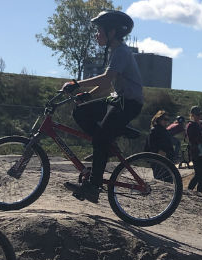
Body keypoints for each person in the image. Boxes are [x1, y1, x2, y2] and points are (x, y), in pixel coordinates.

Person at [60, 10, 144, 203]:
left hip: (128, 103)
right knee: (80, 112)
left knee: (99, 138)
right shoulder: (116, 51)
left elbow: (106, 80)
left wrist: (77, 84)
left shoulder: (121, 52)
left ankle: (93, 186)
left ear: (112, 32)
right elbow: (107, 84)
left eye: (100, 30)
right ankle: (107, 140)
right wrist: (88, 95)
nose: (97, 34)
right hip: (118, 100)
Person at [186, 105, 202, 193]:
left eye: (199, 114)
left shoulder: (200, 124)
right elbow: (192, 139)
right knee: (198, 174)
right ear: (192, 115)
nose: (199, 116)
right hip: (196, 153)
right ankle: (188, 191)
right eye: (197, 115)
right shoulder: (190, 125)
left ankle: (200, 193)